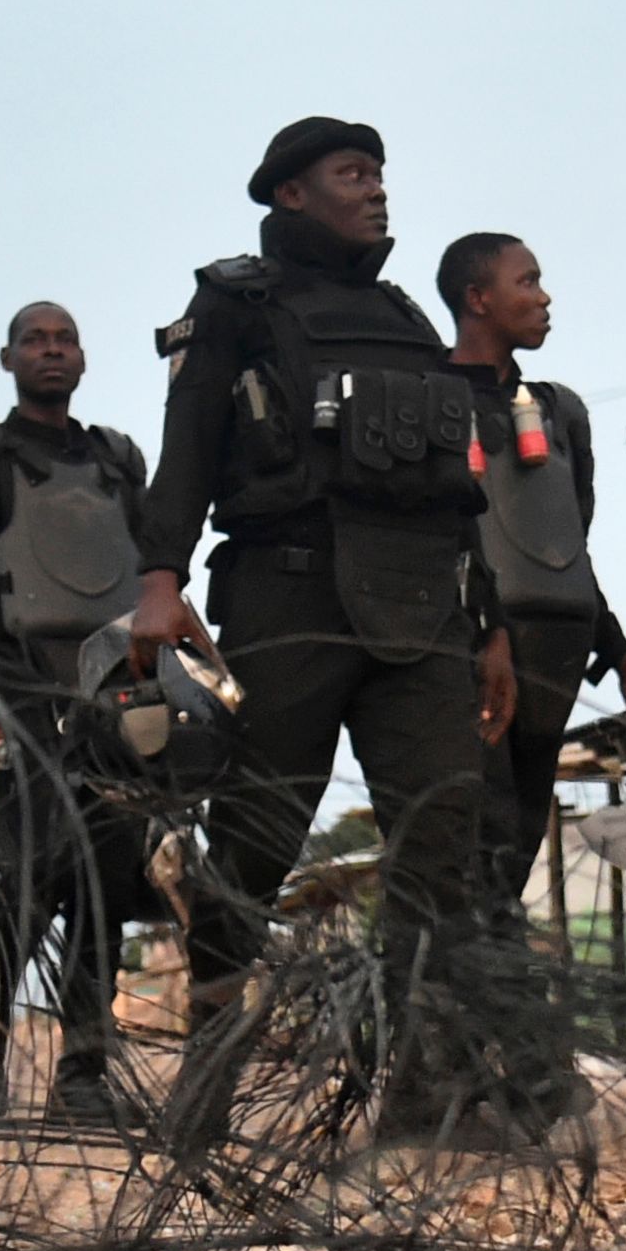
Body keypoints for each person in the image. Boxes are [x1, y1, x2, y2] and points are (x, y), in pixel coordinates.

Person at [126, 116, 516, 1130]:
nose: (377, 190)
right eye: (353, 174)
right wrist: (159, 579)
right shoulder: (236, 304)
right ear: (291, 195)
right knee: (255, 844)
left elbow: (457, 491)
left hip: (425, 609)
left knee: (440, 844)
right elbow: (186, 452)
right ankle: (205, 1077)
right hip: (289, 594)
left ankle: (428, 1099)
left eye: (381, 173)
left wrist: (492, 625)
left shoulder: (399, 315)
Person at [0, 299, 152, 1124]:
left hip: (116, 689)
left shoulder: (118, 463)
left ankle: (83, 1070)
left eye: (64, 340)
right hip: (22, 682)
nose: (50, 352)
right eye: (34, 341)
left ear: (83, 359)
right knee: (31, 871)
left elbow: (153, 577)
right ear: (7, 358)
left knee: (106, 878)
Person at [438, 232, 626, 933]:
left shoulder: (560, 412)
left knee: (518, 838)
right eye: (526, 282)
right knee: (485, 832)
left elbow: (572, 547)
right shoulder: (429, 400)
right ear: (477, 299)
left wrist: (623, 665)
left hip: (557, 651)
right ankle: (488, 1015)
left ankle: (489, 1013)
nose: (544, 296)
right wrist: (479, 632)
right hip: (472, 653)